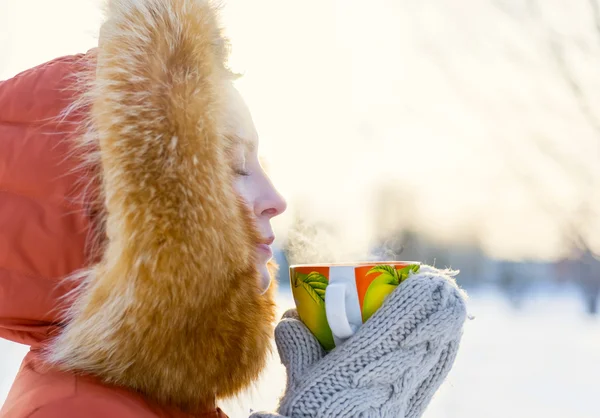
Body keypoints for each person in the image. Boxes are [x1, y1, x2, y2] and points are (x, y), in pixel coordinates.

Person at [0, 1, 468, 417]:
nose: (276, 199)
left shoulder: (150, 395)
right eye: (230, 165)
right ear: (126, 218)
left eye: (259, 164)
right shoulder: (75, 410)